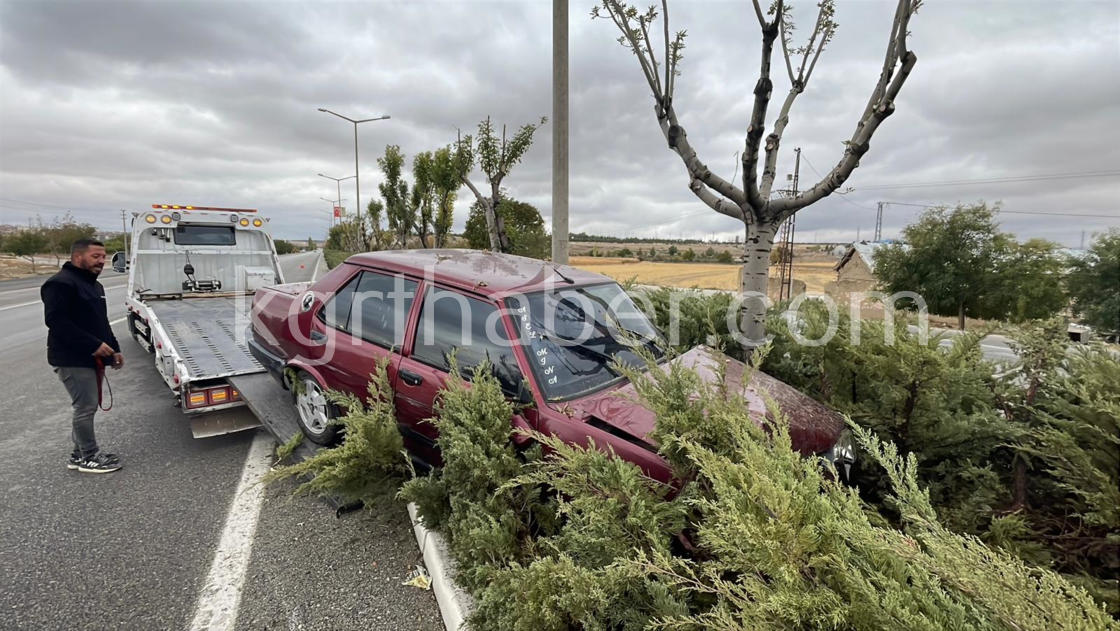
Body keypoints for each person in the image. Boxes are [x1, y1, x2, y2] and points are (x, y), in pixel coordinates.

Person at [41, 238, 124, 474]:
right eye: (95, 256)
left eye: (103, 256)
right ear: (78, 257)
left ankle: (79, 454)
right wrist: (93, 345)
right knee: (85, 407)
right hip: (72, 358)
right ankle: (89, 456)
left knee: (88, 406)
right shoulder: (60, 283)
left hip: (91, 357)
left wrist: (114, 349)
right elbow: (57, 322)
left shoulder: (95, 286)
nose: (102, 261)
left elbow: (101, 323)